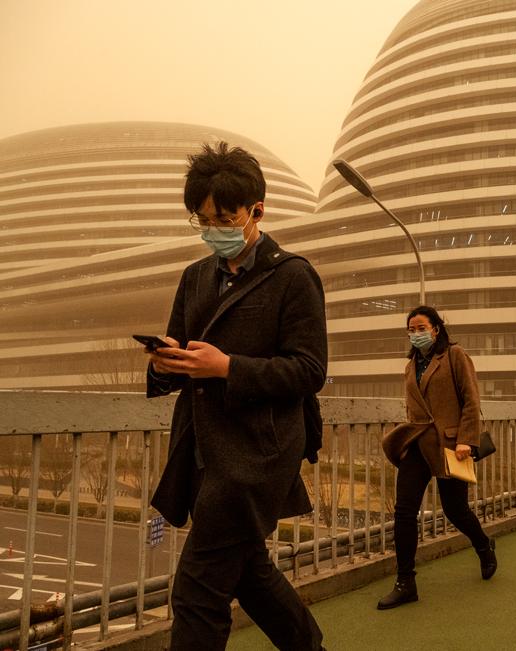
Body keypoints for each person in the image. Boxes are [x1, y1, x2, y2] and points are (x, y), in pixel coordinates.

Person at [145, 142, 327, 650]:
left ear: (256, 212)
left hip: (255, 455)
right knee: (249, 572)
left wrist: (227, 367)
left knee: (196, 594)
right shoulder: (195, 277)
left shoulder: (293, 276)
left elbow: (309, 370)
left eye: (223, 218)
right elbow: (184, 353)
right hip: (201, 451)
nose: (212, 231)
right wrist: (166, 363)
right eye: (201, 220)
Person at [377, 306, 496, 609]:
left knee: (455, 510)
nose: (415, 334)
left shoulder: (455, 355)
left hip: (450, 445)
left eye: (421, 328)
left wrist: (467, 440)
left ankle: (483, 544)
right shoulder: (410, 365)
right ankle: (406, 582)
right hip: (417, 444)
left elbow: (471, 399)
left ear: (436, 329)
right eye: (411, 329)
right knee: (404, 512)